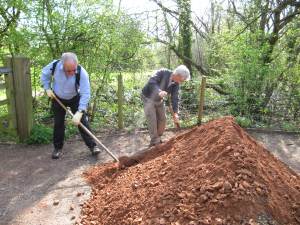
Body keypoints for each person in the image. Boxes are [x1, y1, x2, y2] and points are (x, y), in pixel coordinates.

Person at [41, 52, 100, 159]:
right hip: (57, 97)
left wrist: (80, 111)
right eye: (68, 71)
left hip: (74, 98)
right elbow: (44, 74)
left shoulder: (82, 72)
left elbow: (85, 93)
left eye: (74, 70)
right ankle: (57, 148)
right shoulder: (54, 65)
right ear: (62, 65)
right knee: (58, 123)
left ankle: (93, 146)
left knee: (82, 121)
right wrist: (47, 88)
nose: (72, 73)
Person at [141, 65, 190, 147]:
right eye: (182, 80)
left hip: (159, 100)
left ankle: (158, 138)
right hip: (148, 98)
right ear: (177, 75)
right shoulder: (162, 72)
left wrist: (175, 113)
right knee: (152, 120)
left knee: (163, 120)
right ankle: (155, 142)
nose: (182, 82)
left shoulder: (176, 83)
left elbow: (175, 97)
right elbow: (151, 82)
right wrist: (159, 91)